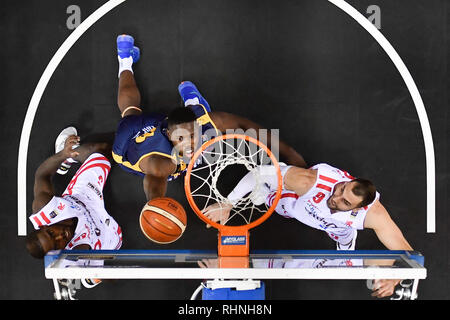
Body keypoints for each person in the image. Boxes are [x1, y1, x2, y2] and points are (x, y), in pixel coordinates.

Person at [112, 34, 306, 201]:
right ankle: (127, 61)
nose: (189, 144)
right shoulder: (162, 164)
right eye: (181, 139)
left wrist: (290, 153)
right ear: (169, 135)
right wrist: (156, 205)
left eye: (192, 136)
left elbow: (245, 125)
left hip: (152, 126)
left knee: (194, 114)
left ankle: (128, 57)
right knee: (131, 112)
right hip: (129, 142)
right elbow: (154, 182)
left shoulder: (205, 121)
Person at [202, 162, 413, 298]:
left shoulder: (374, 215)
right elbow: (259, 172)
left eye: (345, 202)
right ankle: (265, 194)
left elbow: (407, 252)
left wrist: (394, 277)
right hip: (295, 202)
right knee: (269, 198)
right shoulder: (311, 182)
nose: (335, 198)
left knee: (347, 251)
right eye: (341, 189)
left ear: (359, 208)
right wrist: (227, 204)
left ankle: (344, 248)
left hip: (338, 229)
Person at [26, 127, 123, 286]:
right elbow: (112, 277)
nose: (60, 236)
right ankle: (89, 276)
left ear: (44, 226)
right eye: (57, 244)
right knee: (116, 241)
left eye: (51, 233)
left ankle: (68, 160)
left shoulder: (43, 209)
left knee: (102, 149)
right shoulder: (77, 254)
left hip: (83, 196)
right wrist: (105, 275)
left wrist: (63, 154)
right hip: (100, 230)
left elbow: (42, 174)